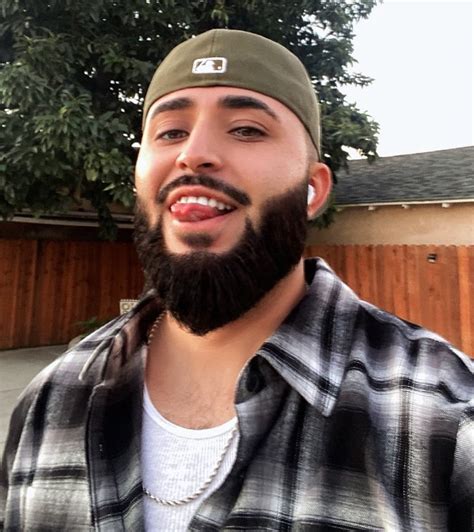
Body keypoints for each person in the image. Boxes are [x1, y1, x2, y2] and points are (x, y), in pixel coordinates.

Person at [1, 29, 473, 531]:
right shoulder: (50, 399)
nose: (193, 153)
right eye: (170, 132)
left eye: (247, 129)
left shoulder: (446, 419)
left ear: (313, 190)